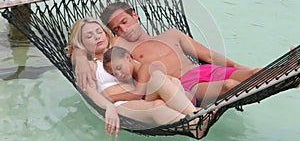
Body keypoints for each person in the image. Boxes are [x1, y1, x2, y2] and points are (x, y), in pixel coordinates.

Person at [74, 2, 260, 105]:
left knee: (255, 73)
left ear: (134, 15)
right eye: (118, 28)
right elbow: (87, 47)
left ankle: (290, 72)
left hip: (206, 71)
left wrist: (237, 66)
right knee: (229, 85)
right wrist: (80, 57)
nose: (124, 29)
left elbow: (210, 56)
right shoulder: (120, 47)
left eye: (125, 21)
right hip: (187, 85)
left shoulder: (172, 34)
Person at [67, 17, 212, 138]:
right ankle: (194, 124)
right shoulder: (87, 66)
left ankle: (194, 114)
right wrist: (108, 106)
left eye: (99, 32)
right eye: (89, 36)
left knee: (158, 78)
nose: (97, 37)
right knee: (158, 106)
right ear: (81, 43)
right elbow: (89, 91)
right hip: (121, 105)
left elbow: (142, 68)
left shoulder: (118, 52)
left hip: (139, 94)